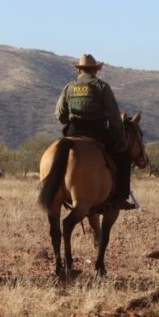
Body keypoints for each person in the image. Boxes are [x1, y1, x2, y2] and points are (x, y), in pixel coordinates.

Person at [55, 54, 136, 210]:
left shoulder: (69, 87)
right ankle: (120, 197)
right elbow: (114, 116)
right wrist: (120, 138)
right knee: (123, 157)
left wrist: (69, 120)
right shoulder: (102, 87)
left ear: (79, 70)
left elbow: (59, 114)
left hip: (73, 130)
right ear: (96, 70)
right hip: (97, 132)